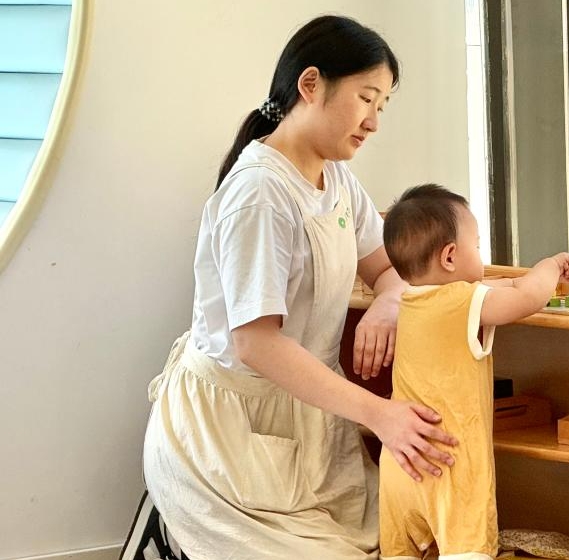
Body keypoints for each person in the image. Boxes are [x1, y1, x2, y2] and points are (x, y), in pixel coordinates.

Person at [142, 15, 458, 559]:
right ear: (310, 84)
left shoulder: (337, 180)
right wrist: (379, 414)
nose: (373, 122)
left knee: (413, 542)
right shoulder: (260, 193)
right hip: (230, 444)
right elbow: (256, 343)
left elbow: (387, 270)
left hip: (310, 431)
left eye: (382, 106)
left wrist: (387, 303)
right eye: (366, 99)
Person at [378, 184, 569, 559]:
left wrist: (513, 280)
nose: (481, 255)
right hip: (451, 470)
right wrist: (551, 266)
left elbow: (495, 286)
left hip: (400, 463)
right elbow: (527, 298)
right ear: (450, 256)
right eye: (477, 245)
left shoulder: (411, 300)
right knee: (467, 551)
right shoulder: (464, 301)